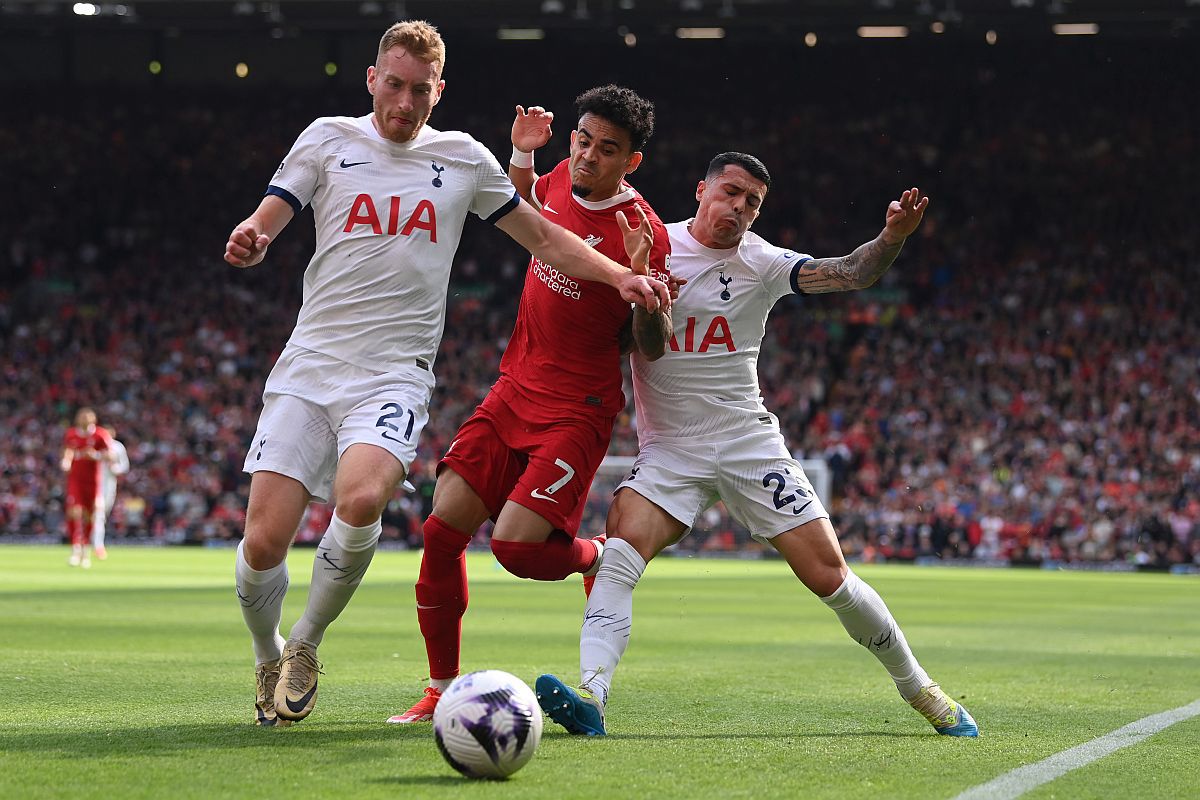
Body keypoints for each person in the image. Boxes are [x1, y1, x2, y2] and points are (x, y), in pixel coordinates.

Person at [223, 22, 670, 728]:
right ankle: (267, 650)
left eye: (420, 90)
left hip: (394, 374)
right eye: (393, 86)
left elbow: (546, 235)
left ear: (440, 92)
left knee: (364, 497)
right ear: (373, 80)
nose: (404, 102)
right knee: (261, 543)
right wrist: (254, 233)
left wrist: (623, 275)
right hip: (309, 366)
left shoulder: (462, 159)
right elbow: (274, 209)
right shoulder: (326, 138)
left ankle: (306, 643)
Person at [535, 152, 979, 738]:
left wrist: (891, 238)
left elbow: (852, 272)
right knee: (620, 548)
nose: (740, 207)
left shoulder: (762, 261)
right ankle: (592, 698)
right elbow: (648, 346)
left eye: (753, 202)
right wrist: (644, 284)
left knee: (831, 577)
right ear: (701, 190)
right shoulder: (650, 243)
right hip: (671, 448)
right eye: (732, 192)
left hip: (748, 443)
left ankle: (922, 691)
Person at [387, 86, 673, 725]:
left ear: (632, 162)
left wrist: (641, 284)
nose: (587, 157)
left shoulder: (644, 232)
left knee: (516, 551)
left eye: (607, 150)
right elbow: (524, 204)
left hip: (577, 407)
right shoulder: (560, 183)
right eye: (582, 139)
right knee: (440, 532)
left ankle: (598, 556)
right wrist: (520, 153)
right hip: (513, 388)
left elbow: (650, 346)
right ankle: (440, 689)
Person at [60, 407, 113, 569]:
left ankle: (86, 550)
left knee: (91, 515)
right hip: (76, 480)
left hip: (94, 481)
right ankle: (75, 549)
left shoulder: (100, 435)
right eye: (81, 416)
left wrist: (96, 455)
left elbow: (110, 454)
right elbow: (68, 450)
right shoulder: (71, 434)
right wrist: (66, 461)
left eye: (87, 416)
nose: (84, 419)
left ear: (93, 419)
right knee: (75, 512)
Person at [92, 426, 130, 560]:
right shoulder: (95, 445)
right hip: (94, 484)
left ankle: (94, 541)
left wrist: (114, 467)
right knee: (99, 514)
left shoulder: (117, 447)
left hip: (109, 484)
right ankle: (98, 546)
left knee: (104, 513)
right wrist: (100, 456)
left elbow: (124, 466)